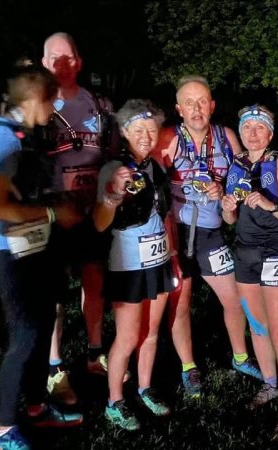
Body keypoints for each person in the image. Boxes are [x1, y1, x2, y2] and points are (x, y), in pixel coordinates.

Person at [0, 65, 83, 450]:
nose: (55, 105)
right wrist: (55, 214)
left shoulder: (24, 134)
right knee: (23, 336)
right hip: (7, 250)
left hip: (31, 245)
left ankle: (38, 407)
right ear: (34, 99)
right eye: (51, 98)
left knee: (40, 328)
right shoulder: (2, 139)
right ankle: (3, 432)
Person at [159, 75, 262, 399]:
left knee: (234, 299)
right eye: (189, 102)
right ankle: (189, 367)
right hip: (178, 234)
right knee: (181, 305)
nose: (196, 108)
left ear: (212, 105)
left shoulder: (226, 137)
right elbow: (152, 188)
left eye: (202, 100)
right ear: (179, 109)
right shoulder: (169, 139)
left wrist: (226, 192)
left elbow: (242, 177)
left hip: (212, 234)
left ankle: (241, 356)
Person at [41, 31, 121, 405]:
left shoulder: (100, 105)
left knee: (94, 281)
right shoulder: (37, 106)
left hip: (93, 212)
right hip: (54, 217)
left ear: (79, 61)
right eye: (54, 57)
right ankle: (55, 368)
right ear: (44, 63)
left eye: (69, 56)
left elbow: (114, 153)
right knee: (53, 294)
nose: (62, 63)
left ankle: (94, 351)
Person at [221, 105, 278, 440]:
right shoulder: (237, 165)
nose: (252, 133)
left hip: (276, 249)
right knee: (257, 328)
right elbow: (230, 219)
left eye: (260, 127)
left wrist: (270, 205)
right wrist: (227, 208)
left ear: (270, 133)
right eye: (247, 127)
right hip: (245, 252)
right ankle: (269, 384)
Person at [93, 99, 175, 430]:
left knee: (152, 332)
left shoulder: (155, 166)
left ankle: (144, 388)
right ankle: (114, 401)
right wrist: (112, 197)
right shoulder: (114, 169)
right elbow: (99, 223)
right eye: (138, 129)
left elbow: (162, 215)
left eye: (152, 129)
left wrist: (173, 255)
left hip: (158, 258)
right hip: (127, 261)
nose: (145, 135)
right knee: (127, 337)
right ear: (125, 131)